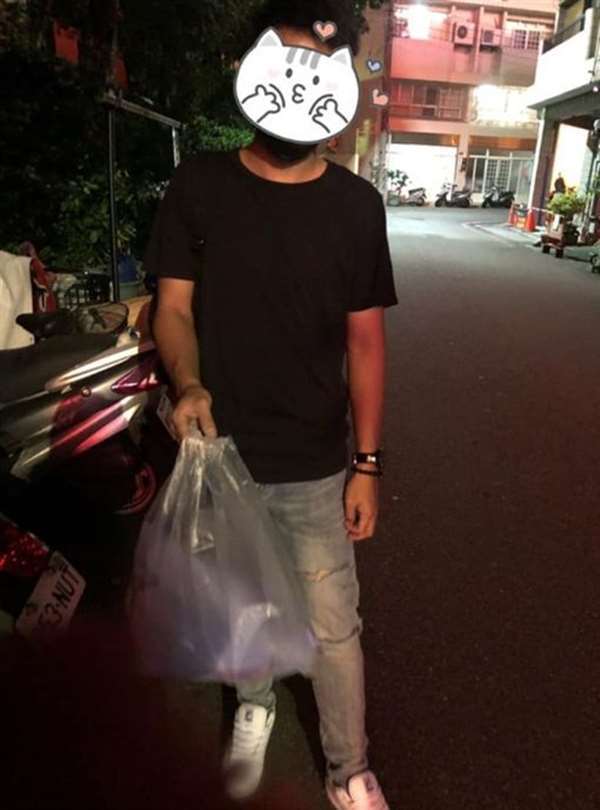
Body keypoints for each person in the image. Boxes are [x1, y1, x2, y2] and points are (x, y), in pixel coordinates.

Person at [144, 2, 398, 808]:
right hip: (219, 453)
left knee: (334, 627)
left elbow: (365, 343)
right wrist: (188, 383)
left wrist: (367, 463)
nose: (298, 88)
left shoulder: (355, 206)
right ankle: (254, 705)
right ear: (249, 69)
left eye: (318, 72)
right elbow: (172, 308)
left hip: (315, 461)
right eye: (283, 64)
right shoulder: (199, 185)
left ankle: (348, 768)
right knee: (244, 606)